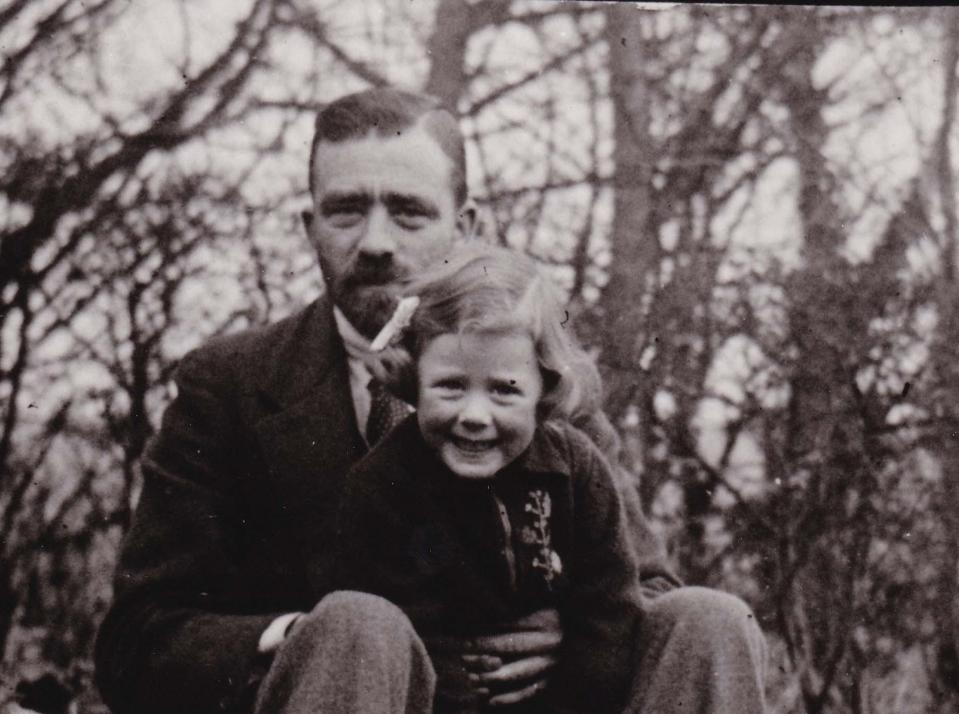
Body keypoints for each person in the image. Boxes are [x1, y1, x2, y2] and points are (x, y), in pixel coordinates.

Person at [94, 86, 767, 714]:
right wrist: (312, 640)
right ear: (310, 227)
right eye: (346, 209)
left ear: (465, 225)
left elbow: (646, 585)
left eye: (409, 211)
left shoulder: (538, 383)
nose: (377, 243)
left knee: (706, 619)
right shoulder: (230, 385)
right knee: (358, 628)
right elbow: (139, 642)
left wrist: (564, 634)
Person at [325, 243, 640, 713]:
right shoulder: (384, 483)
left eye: (504, 390)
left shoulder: (575, 470)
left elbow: (609, 607)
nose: (474, 415)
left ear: (544, 388)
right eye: (450, 386)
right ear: (414, 379)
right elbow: (396, 628)